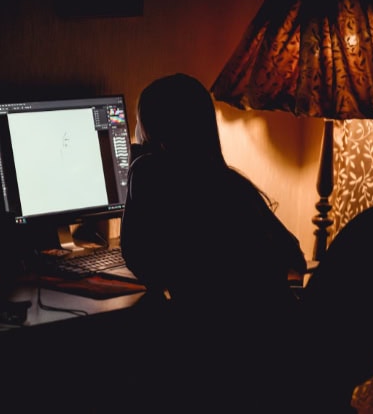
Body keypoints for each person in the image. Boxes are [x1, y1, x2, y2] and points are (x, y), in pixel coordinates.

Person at [119, 73, 308, 410]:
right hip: (277, 357)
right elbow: (294, 253)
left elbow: (140, 262)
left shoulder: (153, 178)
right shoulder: (230, 185)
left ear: (154, 135)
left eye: (138, 124)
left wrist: (138, 166)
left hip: (218, 367)